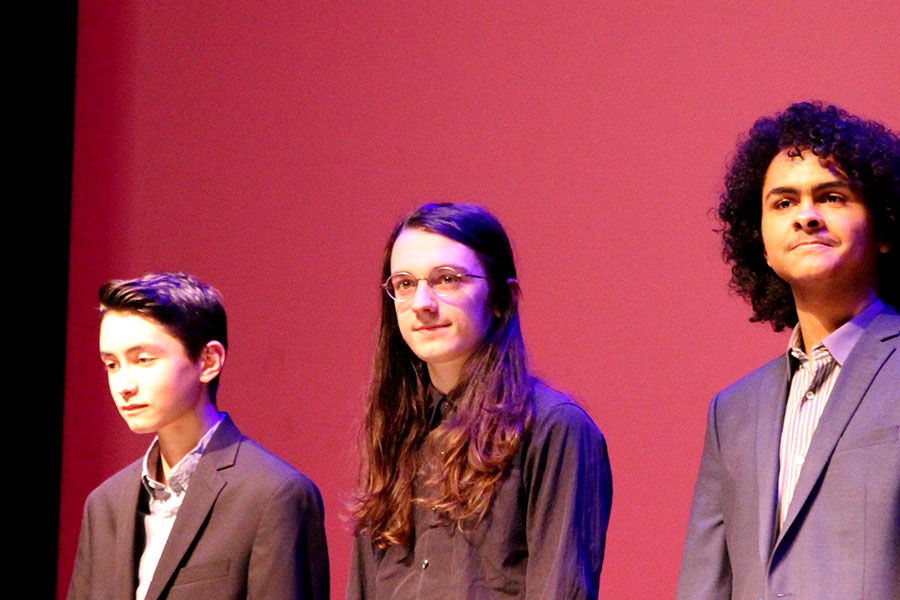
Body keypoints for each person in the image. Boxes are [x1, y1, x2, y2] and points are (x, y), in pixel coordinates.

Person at [677, 102, 900, 600]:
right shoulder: (732, 411)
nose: (805, 216)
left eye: (832, 196)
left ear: (884, 227)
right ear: (761, 241)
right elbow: (706, 583)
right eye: (783, 203)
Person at [346, 203, 613, 600]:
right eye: (404, 284)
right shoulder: (397, 431)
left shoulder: (554, 430)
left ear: (502, 299)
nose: (422, 303)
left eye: (447, 279)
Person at [68, 272, 329, 600]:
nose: (124, 385)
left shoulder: (273, 495)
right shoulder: (105, 505)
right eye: (112, 364)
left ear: (208, 361)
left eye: (143, 360)